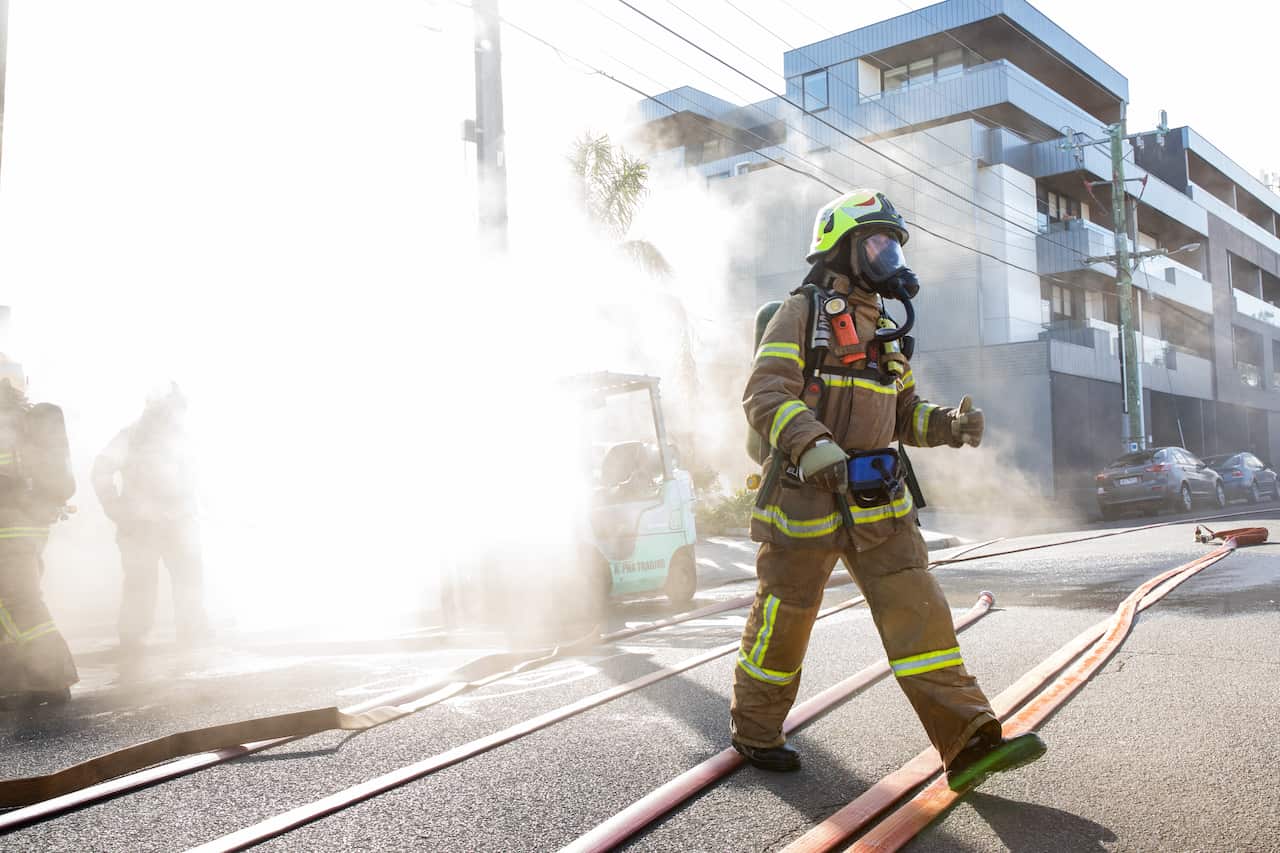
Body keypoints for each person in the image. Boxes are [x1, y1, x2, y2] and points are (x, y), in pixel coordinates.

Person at [733, 189, 1045, 791]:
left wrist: (948, 426)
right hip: (804, 500)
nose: (889, 257)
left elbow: (900, 413)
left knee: (920, 615)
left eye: (893, 246)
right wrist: (810, 442)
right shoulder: (799, 314)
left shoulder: (886, 330)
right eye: (877, 243)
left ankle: (969, 740)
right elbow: (765, 393)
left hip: (878, 504)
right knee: (784, 622)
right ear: (842, 247)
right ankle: (755, 730)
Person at [92, 384, 210, 650]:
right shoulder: (130, 437)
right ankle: (134, 641)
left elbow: (196, 477)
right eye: (173, 410)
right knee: (140, 584)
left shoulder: (184, 437)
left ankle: (194, 635)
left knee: (189, 579)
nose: (177, 416)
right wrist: (115, 508)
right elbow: (101, 470)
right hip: (140, 525)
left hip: (180, 523)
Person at [0, 374, 79, 709]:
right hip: (24, 525)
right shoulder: (19, 420)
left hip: (8, 526)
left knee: (19, 601)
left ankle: (52, 678)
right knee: (13, 602)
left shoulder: (8, 426)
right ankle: (18, 680)